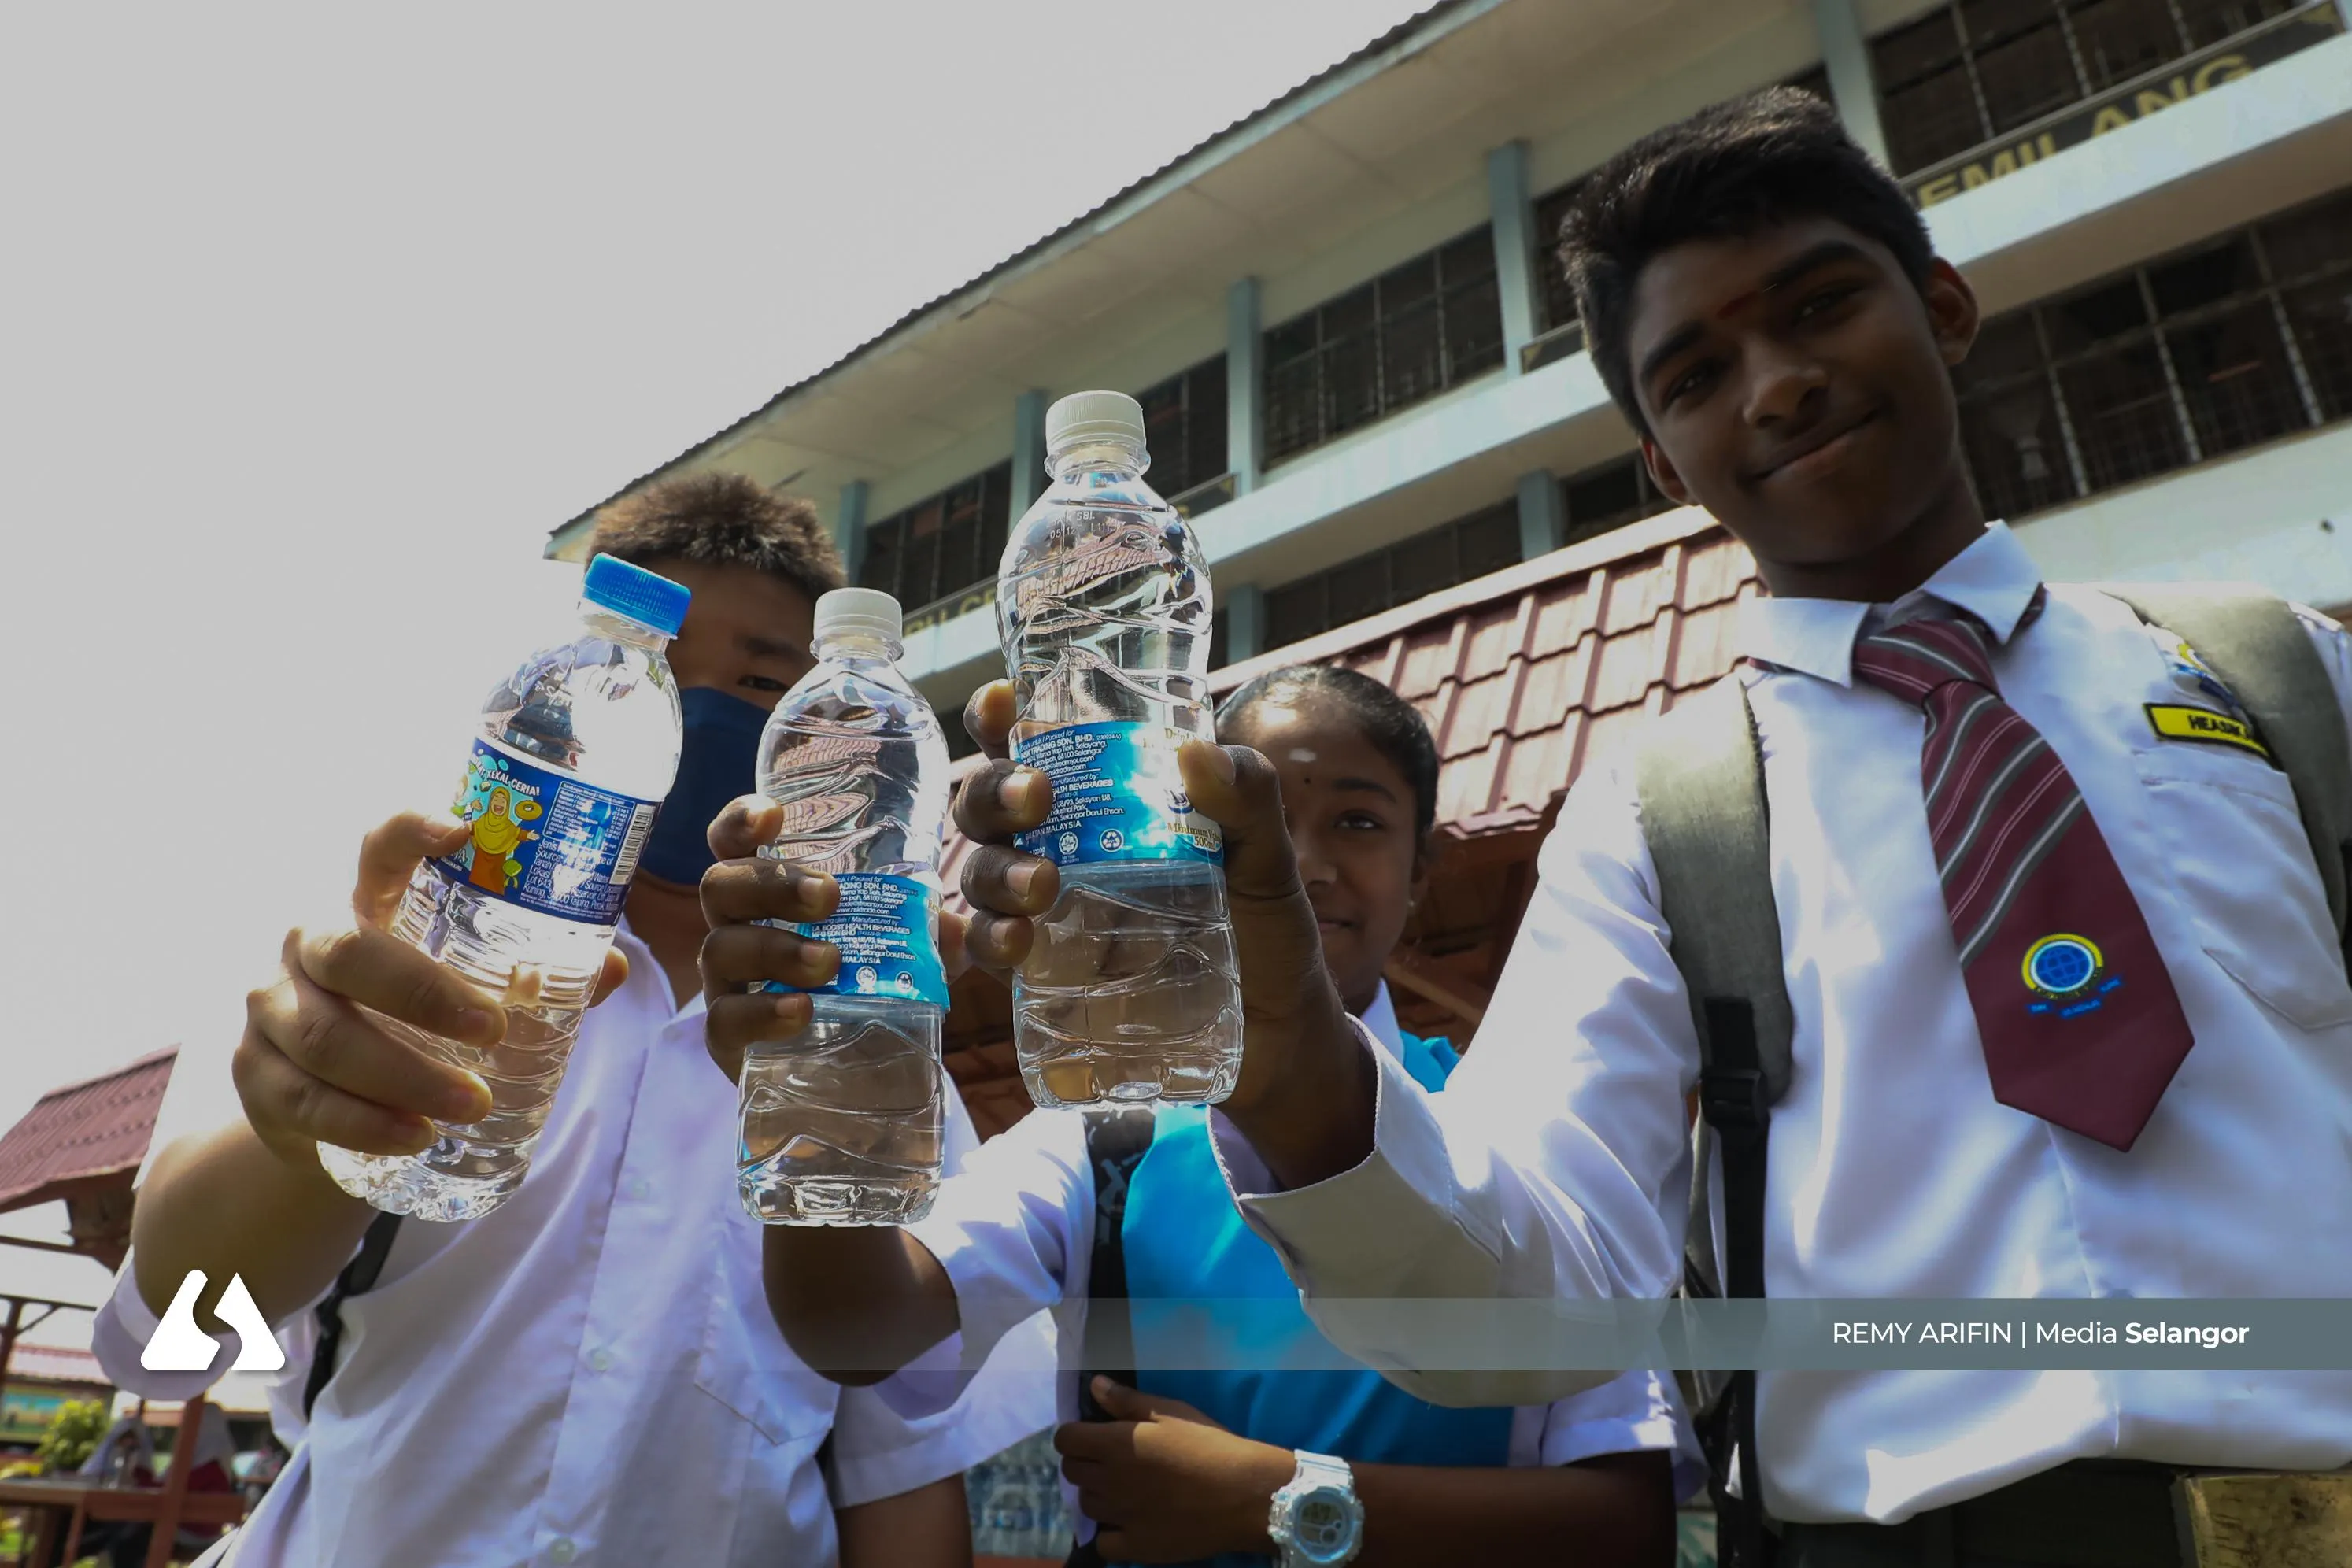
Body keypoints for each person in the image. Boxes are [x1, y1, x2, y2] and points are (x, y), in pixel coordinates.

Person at [947, 89, 2352, 1567]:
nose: (1778, 386)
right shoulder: (1659, 812)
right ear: (1665, 465)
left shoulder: (2277, 674)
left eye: (1820, 304)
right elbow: (1537, 1294)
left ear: (1943, 305)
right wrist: (1287, 1050)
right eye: (1695, 373)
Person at [91, 472, 1035, 1567]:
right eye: (654, 667)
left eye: (758, 680)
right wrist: (305, 1136)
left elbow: (903, 1463)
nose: (691, 711)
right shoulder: (395, 966)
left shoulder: (874, 1060)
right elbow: (170, 1343)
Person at [702, 662, 1700, 1566]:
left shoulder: (1525, 1136)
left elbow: (1628, 1524)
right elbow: (859, 1326)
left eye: (1358, 822)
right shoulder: (1104, 1132)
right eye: (1247, 819)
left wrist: (1281, 1498)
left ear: (1421, 874)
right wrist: (812, 1094)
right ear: (1172, 838)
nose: (1305, 863)